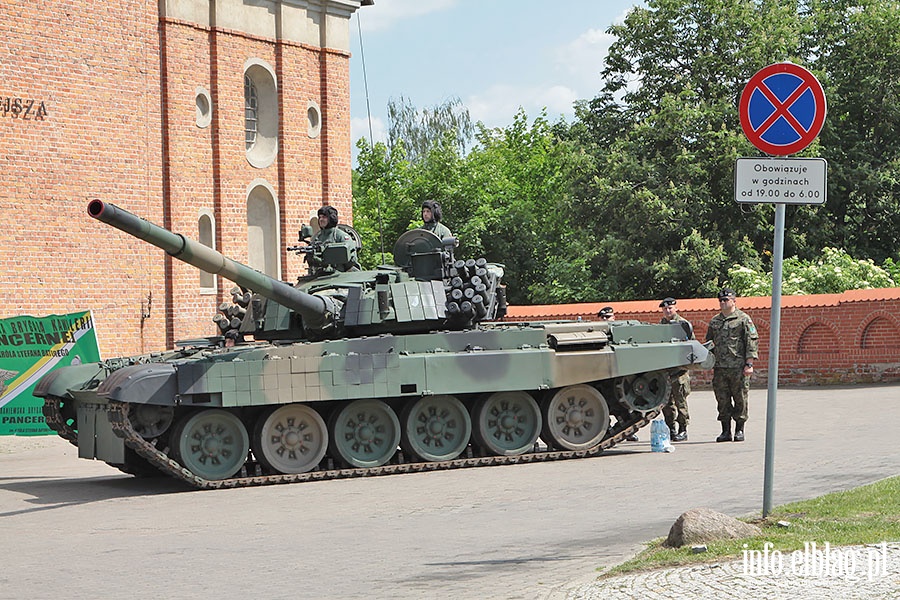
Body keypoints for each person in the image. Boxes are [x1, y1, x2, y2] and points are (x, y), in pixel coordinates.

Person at [705, 288, 759, 442]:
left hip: (738, 367)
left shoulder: (743, 319)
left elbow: (751, 341)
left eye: (726, 300)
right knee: (722, 400)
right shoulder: (715, 321)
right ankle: (725, 431)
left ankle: (739, 430)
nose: (723, 303)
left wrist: (749, 363)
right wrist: (707, 363)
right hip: (720, 368)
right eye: (721, 300)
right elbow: (709, 344)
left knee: (740, 398)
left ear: (734, 301)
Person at [659, 297, 692, 441]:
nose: (667, 310)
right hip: (666, 372)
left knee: (681, 403)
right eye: (665, 309)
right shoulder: (660, 326)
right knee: (666, 404)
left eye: (670, 308)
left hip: (679, 372)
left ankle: (683, 429)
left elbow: (690, 345)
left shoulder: (683, 325)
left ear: (675, 308)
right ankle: (671, 429)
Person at [306, 205, 359, 273]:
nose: (321, 220)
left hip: (342, 274)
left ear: (331, 218)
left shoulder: (340, 236)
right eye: (319, 217)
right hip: (321, 275)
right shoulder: (317, 238)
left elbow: (352, 260)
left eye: (324, 217)